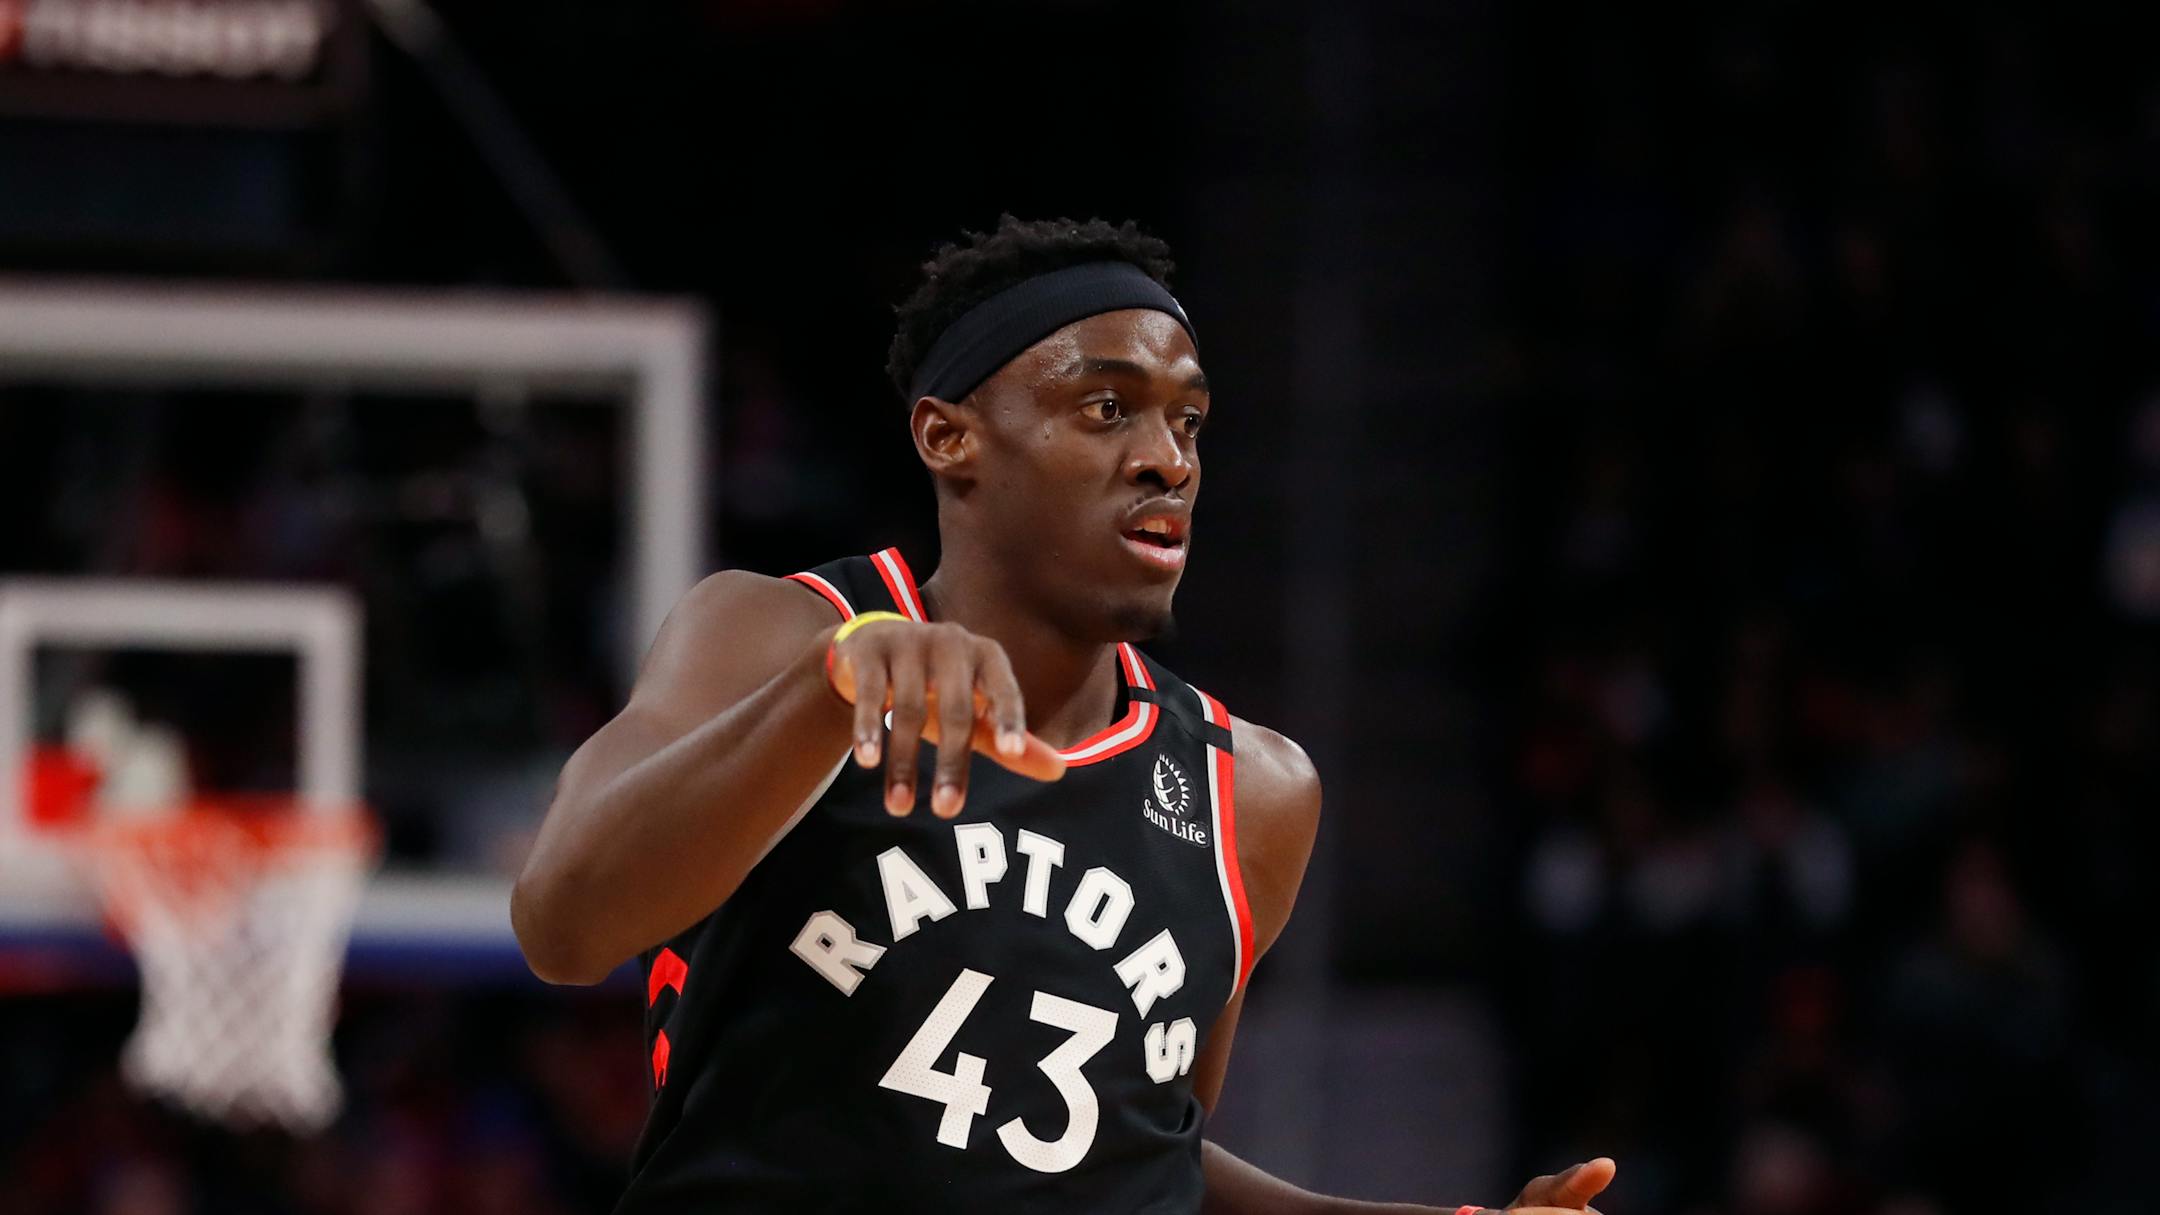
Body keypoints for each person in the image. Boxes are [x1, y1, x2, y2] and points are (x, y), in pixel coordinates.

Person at [512, 215, 1618, 1214]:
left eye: (1190, 420)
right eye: (1106, 408)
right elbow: (566, 929)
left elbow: (1137, 1151)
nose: (1167, 459)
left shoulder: (1254, 792)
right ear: (950, 439)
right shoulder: (781, 637)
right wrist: (827, 691)